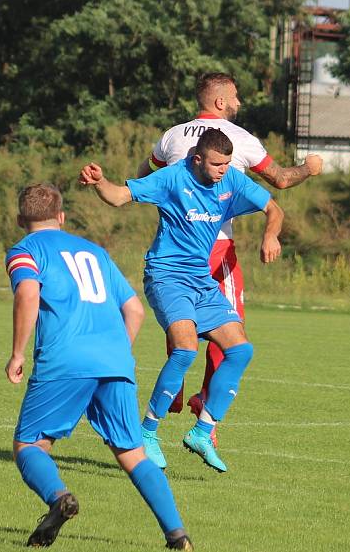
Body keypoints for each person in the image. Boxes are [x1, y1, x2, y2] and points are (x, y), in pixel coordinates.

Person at [79, 128, 284, 474]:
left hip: (201, 282)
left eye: (227, 164)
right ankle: (147, 432)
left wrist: (270, 235)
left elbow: (273, 208)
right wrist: (101, 182)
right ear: (197, 158)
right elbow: (118, 197)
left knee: (241, 350)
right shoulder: (172, 178)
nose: (223, 171)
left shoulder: (231, 180)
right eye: (217, 164)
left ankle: (202, 432)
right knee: (186, 349)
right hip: (165, 276)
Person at [5, 182, 193, 550]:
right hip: (116, 359)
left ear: (19, 219)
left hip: (65, 358)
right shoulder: (95, 251)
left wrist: (17, 353)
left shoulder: (25, 249)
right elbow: (134, 310)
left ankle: (58, 498)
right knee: (132, 453)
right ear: (61, 217)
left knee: (29, 445)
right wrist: (113, 353)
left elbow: (28, 292)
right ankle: (178, 536)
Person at [137, 72, 323, 444]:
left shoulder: (173, 135)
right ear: (220, 102)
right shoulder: (238, 140)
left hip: (174, 251)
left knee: (182, 324)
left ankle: (172, 395)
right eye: (235, 97)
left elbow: (145, 171)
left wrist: (146, 193)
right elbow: (281, 180)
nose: (239, 103)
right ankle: (207, 410)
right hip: (216, 250)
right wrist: (310, 168)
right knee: (232, 331)